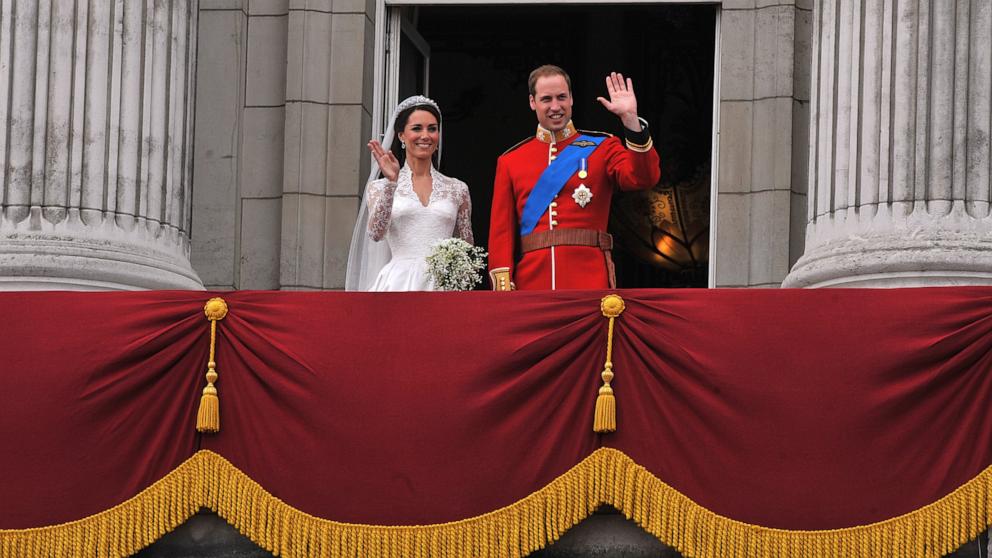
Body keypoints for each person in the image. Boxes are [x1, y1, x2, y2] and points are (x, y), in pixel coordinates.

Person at [488, 66, 661, 291]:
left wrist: (630, 120)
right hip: (531, 284)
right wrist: (503, 285)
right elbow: (501, 232)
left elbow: (643, 178)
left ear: (571, 98)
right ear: (532, 102)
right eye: (546, 99)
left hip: (588, 280)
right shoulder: (511, 160)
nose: (555, 107)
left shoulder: (603, 147)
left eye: (561, 97)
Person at [345, 96, 474, 291]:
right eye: (416, 128)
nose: (425, 135)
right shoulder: (380, 187)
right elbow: (375, 233)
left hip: (443, 287)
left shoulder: (457, 188)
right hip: (398, 284)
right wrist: (392, 183)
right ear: (401, 136)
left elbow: (467, 248)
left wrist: (456, 282)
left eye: (432, 128)